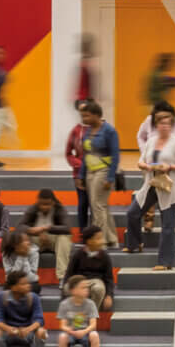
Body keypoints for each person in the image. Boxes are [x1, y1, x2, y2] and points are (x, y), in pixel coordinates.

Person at [127, 110, 175, 271]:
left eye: (167, 124)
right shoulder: (151, 141)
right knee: (133, 212)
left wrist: (170, 167)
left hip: (169, 187)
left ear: (171, 126)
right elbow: (141, 160)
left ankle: (165, 261)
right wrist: (144, 165)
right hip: (151, 183)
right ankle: (135, 243)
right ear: (156, 126)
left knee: (167, 225)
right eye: (161, 123)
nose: (164, 126)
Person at [65, 102, 120, 243]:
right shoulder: (88, 131)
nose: (84, 119)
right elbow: (86, 155)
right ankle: (111, 238)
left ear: (96, 115)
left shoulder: (109, 131)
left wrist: (110, 177)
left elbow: (115, 156)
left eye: (87, 116)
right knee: (102, 206)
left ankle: (98, 240)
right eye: (82, 115)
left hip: (103, 171)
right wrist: (81, 175)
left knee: (97, 206)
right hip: (89, 172)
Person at [20, 190, 73, 285]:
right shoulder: (33, 209)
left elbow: (68, 228)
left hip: (54, 241)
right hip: (37, 240)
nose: (44, 207)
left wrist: (47, 228)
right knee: (23, 237)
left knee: (64, 237)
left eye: (47, 204)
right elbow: (19, 227)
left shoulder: (59, 209)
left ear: (53, 202)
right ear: (38, 202)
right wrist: (32, 230)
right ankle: (27, 277)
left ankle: (62, 277)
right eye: (41, 204)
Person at [55, 275, 102, 347]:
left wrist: (84, 332)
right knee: (62, 337)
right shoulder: (64, 304)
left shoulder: (90, 304)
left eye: (87, 287)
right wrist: (71, 331)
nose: (87, 290)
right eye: (83, 287)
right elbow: (62, 325)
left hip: (85, 332)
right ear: (73, 290)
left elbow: (93, 324)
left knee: (95, 335)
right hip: (71, 333)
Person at [64, 228, 116, 311]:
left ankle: (91, 315)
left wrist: (109, 295)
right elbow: (69, 274)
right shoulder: (78, 254)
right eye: (98, 238)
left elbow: (109, 279)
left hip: (96, 281)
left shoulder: (105, 256)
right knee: (67, 288)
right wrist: (67, 287)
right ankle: (74, 315)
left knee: (99, 289)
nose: (102, 241)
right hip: (79, 280)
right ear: (89, 241)